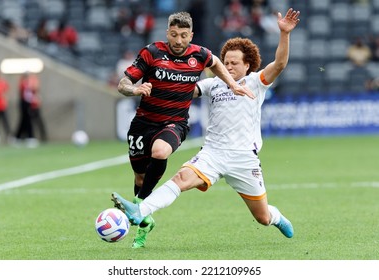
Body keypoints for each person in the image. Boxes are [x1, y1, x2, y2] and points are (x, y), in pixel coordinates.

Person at [112, 8, 300, 243]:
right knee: (181, 179)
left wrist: (285, 34)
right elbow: (182, 89)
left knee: (262, 217)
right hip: (213, 153)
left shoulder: (256, 82)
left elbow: (280, 64)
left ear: (247, 65)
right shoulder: (213, 84)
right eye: (226, 62)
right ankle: (141, 210)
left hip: (244, 158)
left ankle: (277, 217)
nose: (229, 67)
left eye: (234, 63)